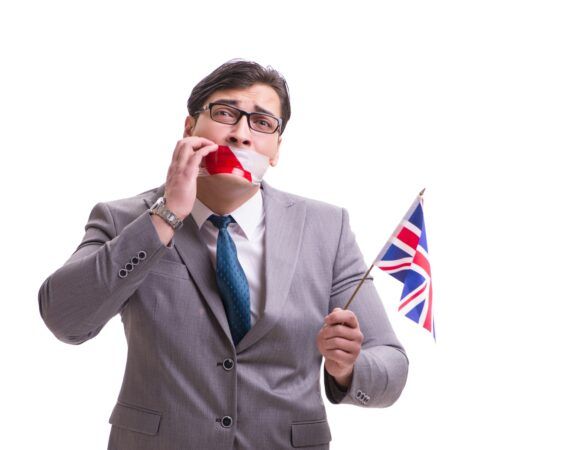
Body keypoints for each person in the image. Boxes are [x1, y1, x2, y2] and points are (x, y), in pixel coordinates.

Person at [38, 59, 408, 449]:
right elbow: (65, 319)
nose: (241, 135)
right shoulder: (124, 219)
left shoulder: (325, 228)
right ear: (189, 128)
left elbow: (392, 367)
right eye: (226, 114)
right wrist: (166, 215)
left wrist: (348, 369)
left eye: (262, 123)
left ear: (276, 149)